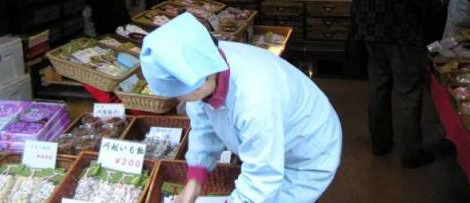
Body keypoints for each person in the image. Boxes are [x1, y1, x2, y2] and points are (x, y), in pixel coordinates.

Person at [139, 13, 342, 203]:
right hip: (273, 143)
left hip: (305, 152)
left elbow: (262, 176)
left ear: (198, 81)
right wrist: (194, 183)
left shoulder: (255, 99)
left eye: (178, 93)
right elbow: (203, 126)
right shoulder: (207, 63)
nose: (177, 99)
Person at [349, 0, 441, 169]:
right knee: (409, 91)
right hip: (403, 35)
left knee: (378, 88)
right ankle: (411, 153)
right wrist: (438, 4)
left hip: (372, 34)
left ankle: (380, 144)